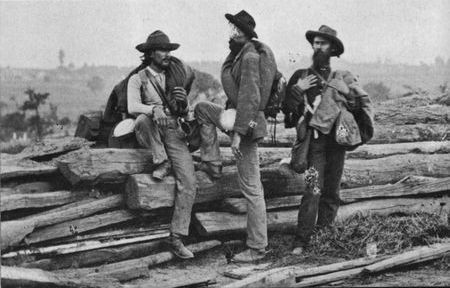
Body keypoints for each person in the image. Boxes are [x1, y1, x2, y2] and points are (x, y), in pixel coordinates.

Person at [194, 10, 278, 262]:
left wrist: (239, 135)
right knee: (202, 109)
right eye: (231, 29)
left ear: (245, 33)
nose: (231, 33)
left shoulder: (250, 56)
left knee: (252, 188)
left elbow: (250, 98)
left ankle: (257, 247)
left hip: (248, 124)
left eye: (236, 30)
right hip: (236, 115)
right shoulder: (239, 54)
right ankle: (212, 161)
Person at [283, 25, 374, 255]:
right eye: (315, 43)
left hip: (337, 145)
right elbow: (287, 113)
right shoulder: (301, 76)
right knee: (313, 189)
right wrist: (296, 90)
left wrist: (348, 98)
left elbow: (357, 108)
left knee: (332, 192)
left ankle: (325, 236)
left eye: (323, 43)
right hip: (314, 145)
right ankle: (301, 241)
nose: (318, 47)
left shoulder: (342, 78)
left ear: (332, 48)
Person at [127, 30, 197, 259]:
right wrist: (152, 109)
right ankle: (161, 159)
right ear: (149, 54)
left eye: (168, 50)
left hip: (174, 130)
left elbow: (184, 112)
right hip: (152, 130)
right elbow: (132, 106)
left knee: (189, 180)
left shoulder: (175, 76)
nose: (167, 54)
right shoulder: (138, 78)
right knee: (142, 119)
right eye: (161, 50)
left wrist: (184, 105)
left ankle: (176, 237)